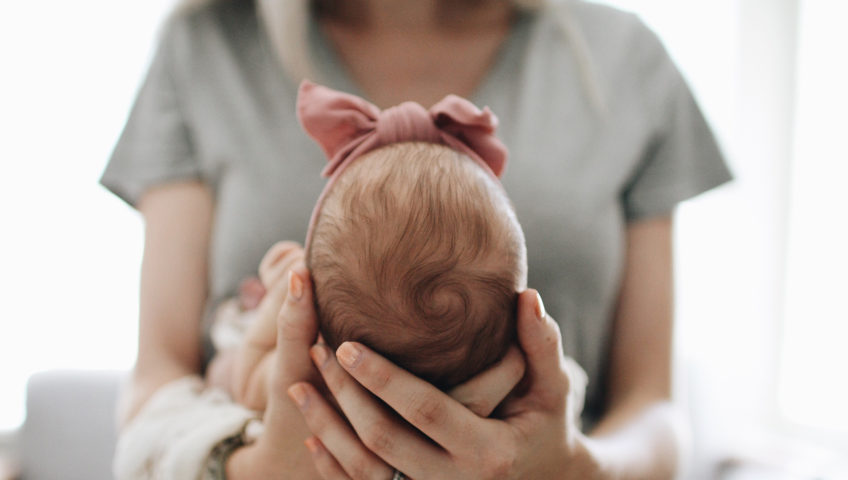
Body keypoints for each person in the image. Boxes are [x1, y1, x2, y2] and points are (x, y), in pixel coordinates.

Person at [101, 0, 732, 478]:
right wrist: (256, 465)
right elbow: (158, 380)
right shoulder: (206, 45)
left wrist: (573, 465)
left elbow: (652, 405)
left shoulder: (624, 59)